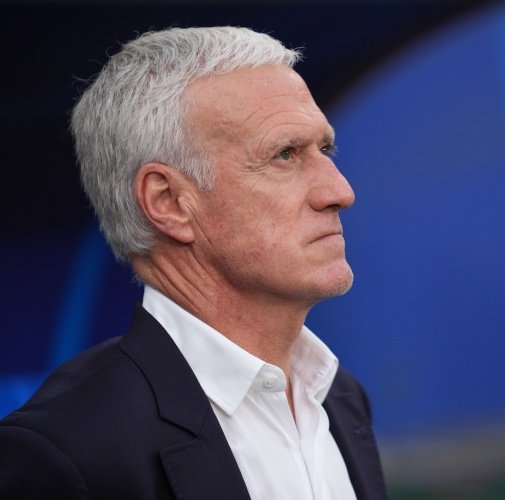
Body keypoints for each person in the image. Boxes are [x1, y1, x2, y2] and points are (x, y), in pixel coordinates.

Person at [0, 26, 387, 500]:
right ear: (168, 202)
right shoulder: (67, 450)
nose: (340, 191)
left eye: (325, 149)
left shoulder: (340, 398)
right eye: (284, 154)